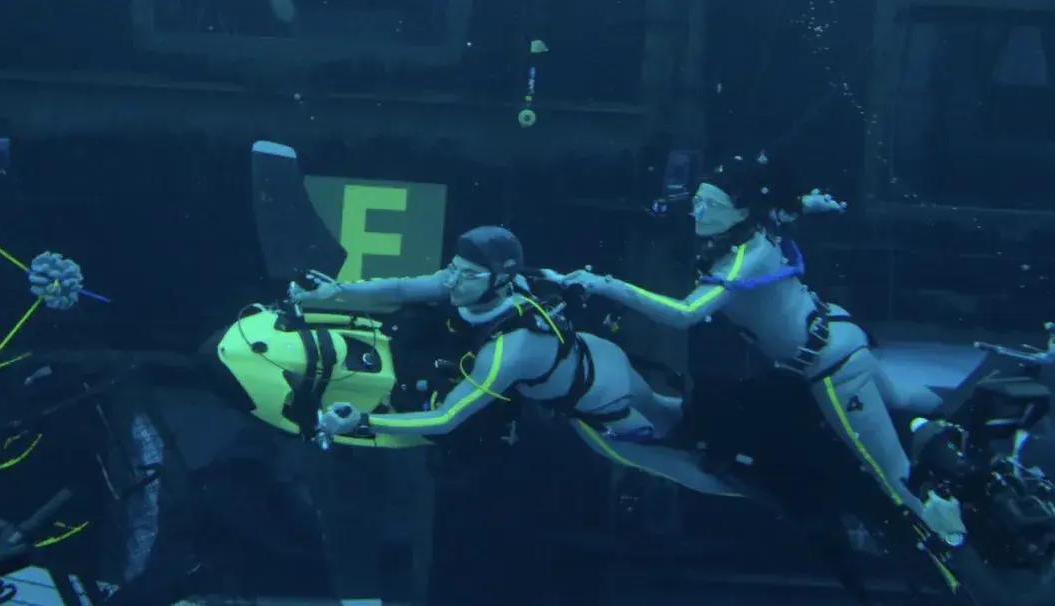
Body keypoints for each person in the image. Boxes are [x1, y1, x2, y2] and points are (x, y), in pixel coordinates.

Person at [549, 158, 967, 545]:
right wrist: (809, 203)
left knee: (891, 476)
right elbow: (782, 207)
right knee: (905, 403)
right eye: (697, 201)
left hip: (832, 368)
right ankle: (960, 435)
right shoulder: (756, 227)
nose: (699, 211)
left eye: (712, 205)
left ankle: (954, 535)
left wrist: (608, 286)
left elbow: (685, 314)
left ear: (741, 211)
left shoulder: (747, 256)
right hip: (839, 338)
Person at [289, 225, 738, 496]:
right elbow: (403, 288)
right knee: (669, 415)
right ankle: (729, 447)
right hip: (606, 360)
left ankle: (743, 488)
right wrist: (334, 293)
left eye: (467, 274)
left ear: (499, 281)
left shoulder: (510, 349)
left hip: (599, 404)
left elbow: (446, 419)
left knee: (667, 461)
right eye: (453, 268)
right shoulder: (490, 284)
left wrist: (363, 422)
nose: (453, 280)